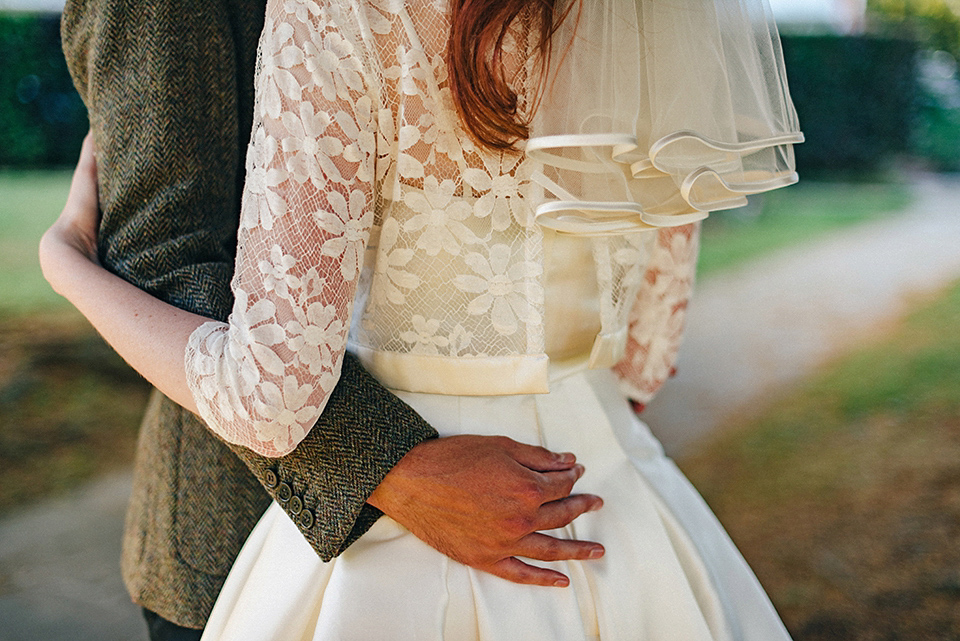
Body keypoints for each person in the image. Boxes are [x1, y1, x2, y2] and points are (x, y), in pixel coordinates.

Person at [45, 0, 804, 638]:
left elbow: (270, 395)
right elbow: (645, 361)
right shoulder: (658, 18)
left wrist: (66, 265)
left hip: (382, 567)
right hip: (608, 506)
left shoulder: (338, 11)